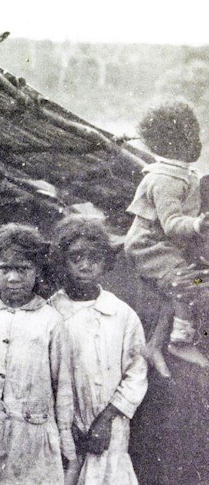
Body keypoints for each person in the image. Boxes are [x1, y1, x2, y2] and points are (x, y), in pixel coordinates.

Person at [0, 223, 75, 484]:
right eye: (5, 269)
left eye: (23, 269)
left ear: (38, 271)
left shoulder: (51, 320)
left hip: (35, 437)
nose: (13, 278)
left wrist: (65, 441)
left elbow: (63, 387)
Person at [49, 215, 148, 485]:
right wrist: (65, 423)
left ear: (106, 262)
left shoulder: (120, 314)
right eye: (76, 257)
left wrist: (106, 419)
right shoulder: (50, 312)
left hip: (110, 426)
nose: (85, 265)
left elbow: (136, 372)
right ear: (63, 261)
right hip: (63, 425)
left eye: (94, 258)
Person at [123, 101, 209, 376]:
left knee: (178, 289)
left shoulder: (180, 172)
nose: (197, 142)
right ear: (174, 143)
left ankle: (155, 345)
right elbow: (172, 223)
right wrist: (197, 224)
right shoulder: (166, 180)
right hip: (151, 247)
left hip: (164, 246)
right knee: (186, 284)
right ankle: (179, 341)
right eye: (190, 137)